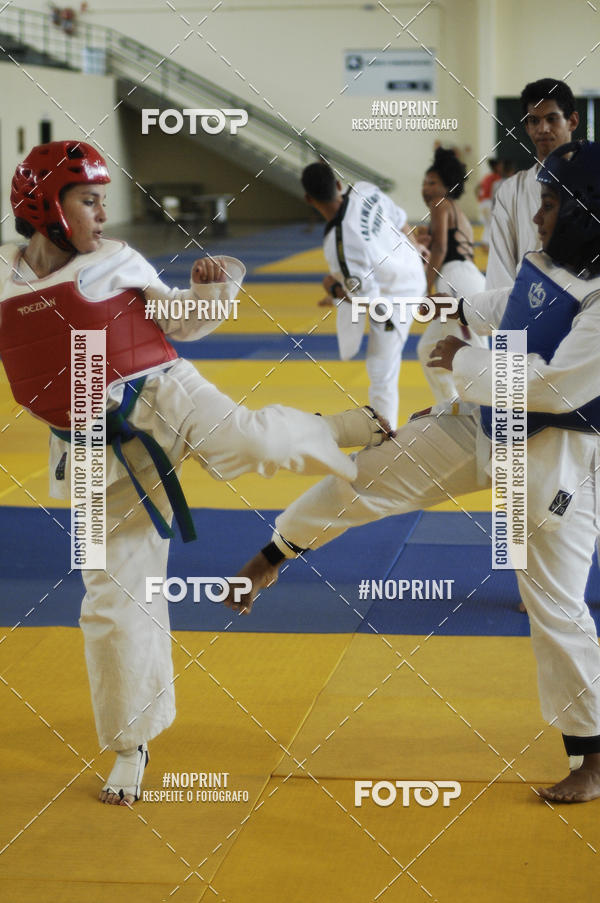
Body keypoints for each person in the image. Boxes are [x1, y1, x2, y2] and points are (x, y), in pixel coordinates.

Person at [0, 140, 394, 806]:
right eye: (88, 201)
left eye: (101, 199)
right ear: (46, 206)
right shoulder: (4, 281)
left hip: (164, 392)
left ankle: (346, 427)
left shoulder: (116, 261)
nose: (102, 213)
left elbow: (181, 319)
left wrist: (215, 289)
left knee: (255, 443)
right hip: (94, 452)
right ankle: (132, 743)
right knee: (112, 601)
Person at [226, 140, 600, 804]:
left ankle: (593, 752)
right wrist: (444, 316)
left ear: (584, 210)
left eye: (549, 203)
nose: (537, 216)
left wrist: (459, 360)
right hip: (480, 423)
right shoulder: (552, 259)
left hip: (550, 458)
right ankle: (273, 553)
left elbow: (552, 389)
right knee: (364, 473)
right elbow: (509, 306)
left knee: (554, 604)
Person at [303, 161, 427, 430]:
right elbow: (400, 220)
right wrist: (417, 250)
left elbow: (368, 302)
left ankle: (386, 439)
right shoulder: (365, 190)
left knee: (380, 371)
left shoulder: (338, 243)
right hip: (414, 271)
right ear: (338, 184)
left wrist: (334, 289)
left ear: (309, 199)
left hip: (395, 300)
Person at [486, 78, 579, 290]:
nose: (542, 128)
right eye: (534, 121)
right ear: (527, 127)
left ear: (572, 121)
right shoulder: (511, 190)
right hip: (525, 310)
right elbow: (499, 270)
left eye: (552, 119)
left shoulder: (593, 183)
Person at [418, 147, 488, 403]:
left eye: (433, 182)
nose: (426, 188)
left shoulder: (440, 204)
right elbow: (440, 246)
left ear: (447, 185)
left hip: (456, 280)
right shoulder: (456, 212)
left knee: (473, 350)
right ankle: (451, 406)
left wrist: (425, 289)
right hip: (469, 278)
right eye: (424, 182)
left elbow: (440, 249)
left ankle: (484, 409)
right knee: (428, 349)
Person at [476, 158, 502, 249]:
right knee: (491, 225)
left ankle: (486, 243)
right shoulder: (497, 178)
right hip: (489, 203)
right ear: (496, 166)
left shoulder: (487, 177)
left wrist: (479, 199)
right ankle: (487, 245)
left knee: (488, 225)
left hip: (483, 203)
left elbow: (477, 189)